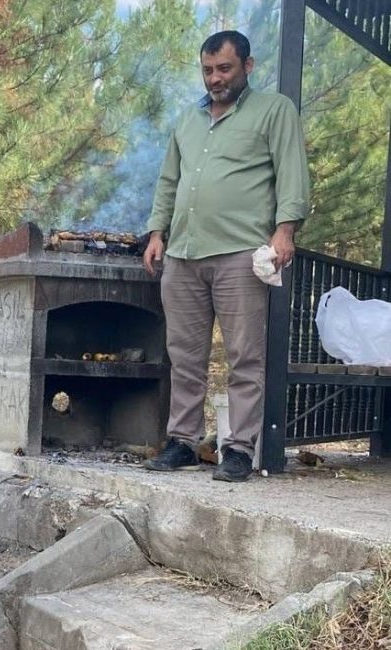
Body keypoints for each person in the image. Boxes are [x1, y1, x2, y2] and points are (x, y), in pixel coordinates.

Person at [142, 31, 310, 482]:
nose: (215, 79)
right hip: (183, 252)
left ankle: (238, 448)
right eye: (208, 70)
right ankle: (182, 442)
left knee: (245, 356)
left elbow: (292, 171)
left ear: (248, 66)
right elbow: (169, 181)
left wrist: (285, 229)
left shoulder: (274, 110)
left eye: (224, 69)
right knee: (184, 354)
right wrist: (157, 232)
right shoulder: (187, 120)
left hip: (241, 251)